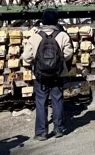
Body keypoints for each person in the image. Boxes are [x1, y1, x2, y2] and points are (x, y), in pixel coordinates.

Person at [22, 8, 74, 140]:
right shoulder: (62, 35)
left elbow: (26, 57)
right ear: (56, 21)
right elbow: (68, 55)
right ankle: (58, 129)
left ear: (43, 21)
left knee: (41, 102)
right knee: (57, 100)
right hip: (58, 74)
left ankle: (41, 132)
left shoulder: (35, 36)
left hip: (40, 75)